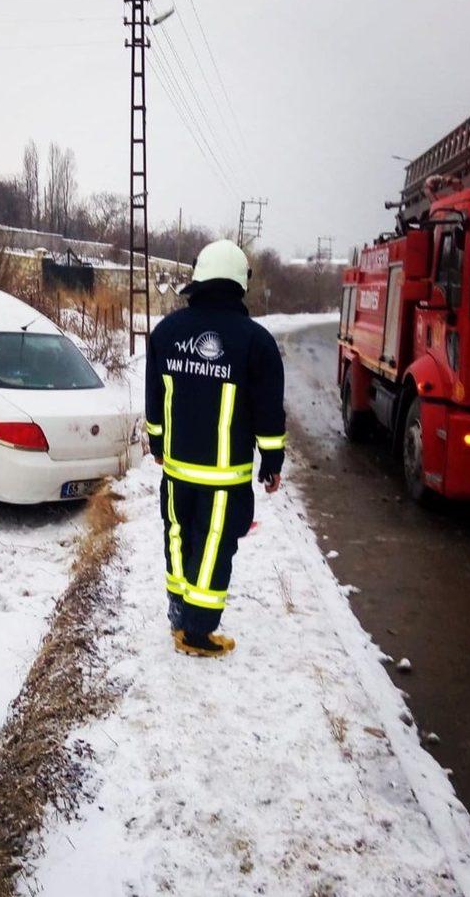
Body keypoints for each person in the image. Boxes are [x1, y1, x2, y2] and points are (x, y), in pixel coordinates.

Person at [145, 239, 286, 658]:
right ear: (240, 282)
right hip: (224, 479)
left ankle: (179, 614)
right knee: (212, 546)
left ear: (198, 278)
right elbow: (268, 412)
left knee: (178, 537)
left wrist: (157, 443)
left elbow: (155, 399)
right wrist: (272, 461)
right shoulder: (255, 342)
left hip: (175, 470)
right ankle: (198, 632)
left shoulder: (167, 332)